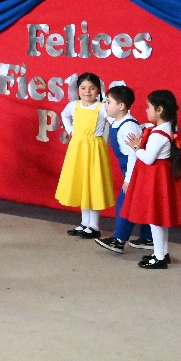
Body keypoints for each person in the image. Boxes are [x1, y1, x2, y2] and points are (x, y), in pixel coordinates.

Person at [122, 90, 181, 269]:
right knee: (159, 219)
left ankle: (159, 257)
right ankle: (162, 253)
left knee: (155, 219)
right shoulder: (165, 129)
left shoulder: (158, 133)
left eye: (148, 107)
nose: (146, 110)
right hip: (159, 177)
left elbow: (149, 158)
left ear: (159, 110)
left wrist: (136, 148)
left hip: (155, 178)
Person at [55, 72, 115, 239]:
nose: (87, 92)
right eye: (83, 88)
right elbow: (64, 115)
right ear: (78, 90)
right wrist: (71, 130)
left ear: (99, 90)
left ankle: (94, 226)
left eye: (92, 88)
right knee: (82, 184)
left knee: (92, 185)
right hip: (77, 148)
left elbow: (114, 121)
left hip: (95, 149)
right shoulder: (73, 105)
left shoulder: (102, 108)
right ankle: (84, 223)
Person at [95, 85, 153, 254]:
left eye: (108, 102)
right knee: (141, 204)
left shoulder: (128, 127)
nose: (105, 105)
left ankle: (118, 240)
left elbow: (134, 155)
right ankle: (147, 238)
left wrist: (128, 180)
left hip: (136, 171)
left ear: (121, 106)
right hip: (130, 171)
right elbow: (104, 112)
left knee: (125, 204)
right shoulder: (117, 120)